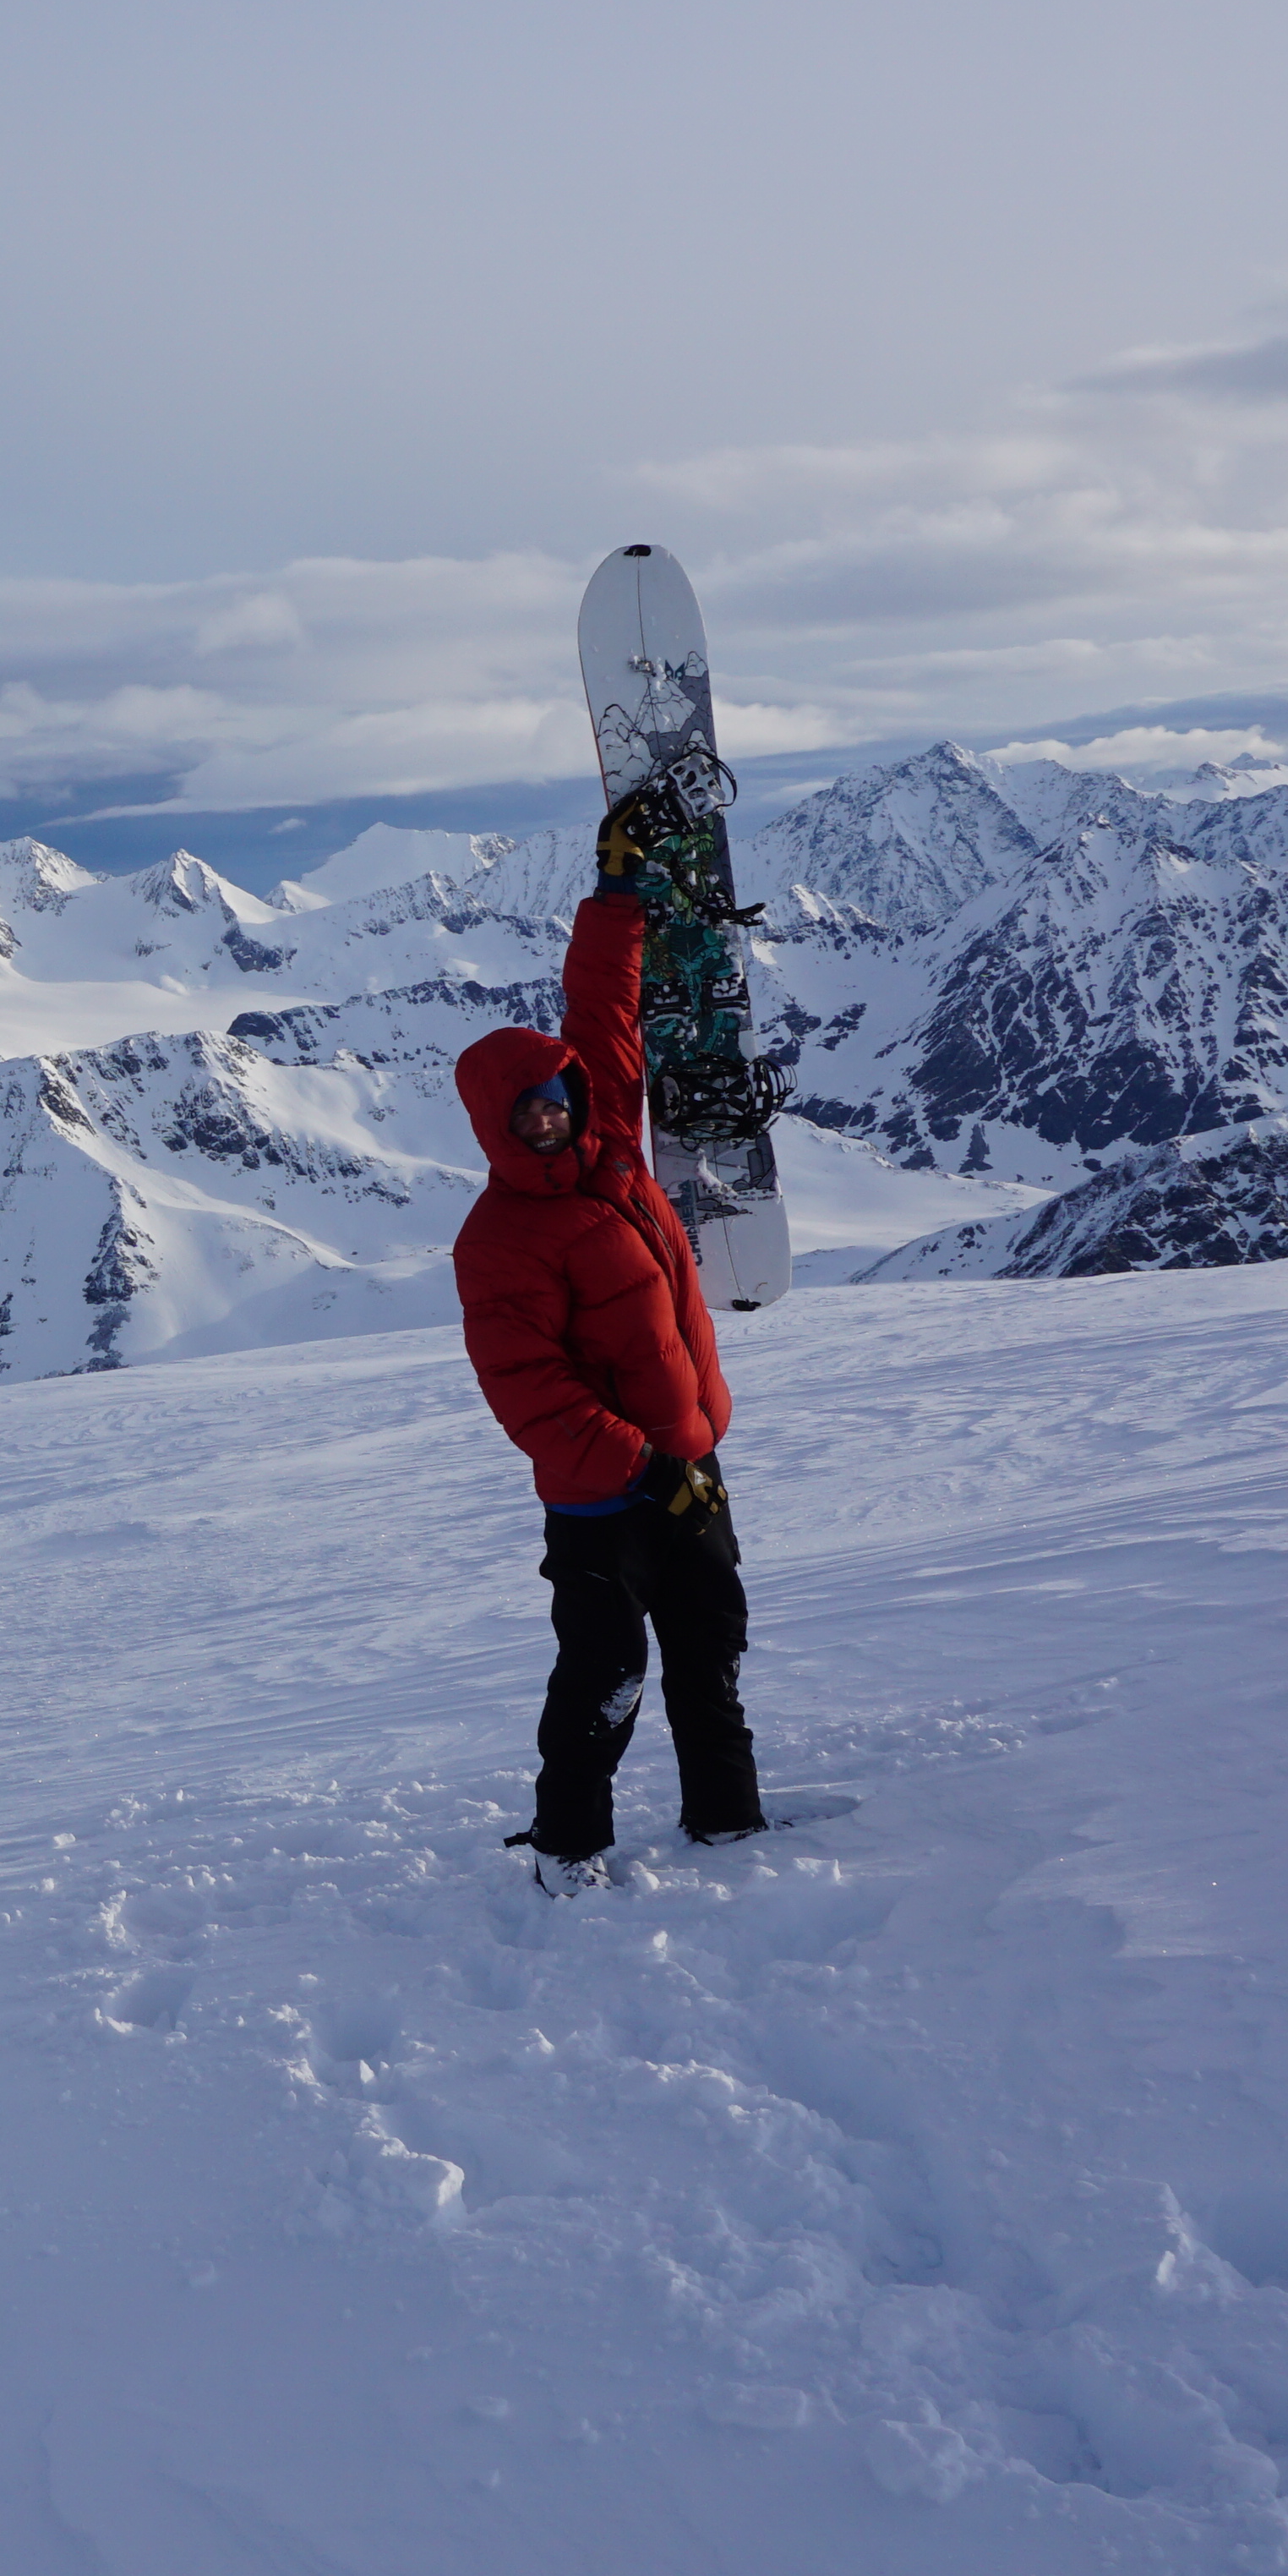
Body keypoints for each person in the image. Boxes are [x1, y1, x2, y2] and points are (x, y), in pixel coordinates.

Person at [451, 808, 762, 1889]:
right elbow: (530, 1395)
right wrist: (644, 1470)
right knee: (608, 1669)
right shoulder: (496, 1243)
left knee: (711, 1649)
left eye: (554, 1095)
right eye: (524, 1109)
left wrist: (617, 894)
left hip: (690, 1456)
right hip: (604, 1497)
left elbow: (603, 1006)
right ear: (496, 1124)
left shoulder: (612, 1138)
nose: (547, 1116)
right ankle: (568, 1848)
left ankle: (730, 1826)